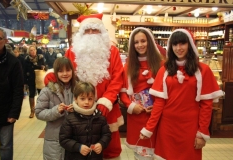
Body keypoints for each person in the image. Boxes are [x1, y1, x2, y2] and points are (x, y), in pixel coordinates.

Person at [140, 29, 224, 160]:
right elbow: (159, 103)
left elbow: (206, 105)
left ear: (190, 44)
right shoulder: (165, 70)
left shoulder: (203, 70)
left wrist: (201, 133)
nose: (178, 48)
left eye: (182, 43)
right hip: (167, 128)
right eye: (175, 44)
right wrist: (149, 128)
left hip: (190, 128)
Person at [64, 13, 124, 159]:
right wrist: (51, 76)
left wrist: (107, 100)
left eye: (94, 30)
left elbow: (118, 77)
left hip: (107, 109)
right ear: (81, 33)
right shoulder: (71, 52)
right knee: (83, 145)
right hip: (81, 109)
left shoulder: (112, 51)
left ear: (101, 32)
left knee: (110, 146)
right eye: (87, 30)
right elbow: (63, 71)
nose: (91, 34)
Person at [119, 27, 164, 160]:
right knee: (141, 156)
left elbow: (168, 92)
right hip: (137, 116)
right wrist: (131, 106)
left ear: (150, 42)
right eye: (136, 42)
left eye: (143, 41)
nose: (140, 45)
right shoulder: (128, 66)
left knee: (159, 153)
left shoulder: (162, 64)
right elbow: (122, 92)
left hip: (157, 117)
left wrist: (157, 107)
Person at [35, 57, 76, 160]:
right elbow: (39, 112)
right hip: (55, 139)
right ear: (56, 72)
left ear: (72, 70)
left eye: (68, 70)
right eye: (61, 71)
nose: (65, 74)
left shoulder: (79, 88)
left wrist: (78, 109)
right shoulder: (48, 90)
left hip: (76, 137)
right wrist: (56, 111)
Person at [59, 81, 112, 160]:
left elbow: (107, 135)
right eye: (82, 99)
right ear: (75, 99)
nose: (86, 102)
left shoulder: (100, 117)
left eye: (90, 99)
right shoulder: (70, 119)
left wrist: (101, 144)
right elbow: (63, 139)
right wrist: (78, 147)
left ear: (94, 99)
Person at [0, 27, 24, 160]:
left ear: (5, 40)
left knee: (5, 146)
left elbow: (18, 89)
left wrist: (14, 113)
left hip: (5, 112)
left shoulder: (13, 62)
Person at [24, 45, 46, 118]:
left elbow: (44, 66)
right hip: (30, 78)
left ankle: (41, 109)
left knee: (41, 94)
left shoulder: (40, 57)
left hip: (40, 78)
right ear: (28, 52)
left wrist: (43, 67)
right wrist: (25, 81)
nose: (33, 51)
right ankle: (32, 111)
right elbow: (25, 70)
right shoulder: (26, 59)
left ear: (36, 50)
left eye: (34, 50)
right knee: (31, 94)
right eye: (31, 50)